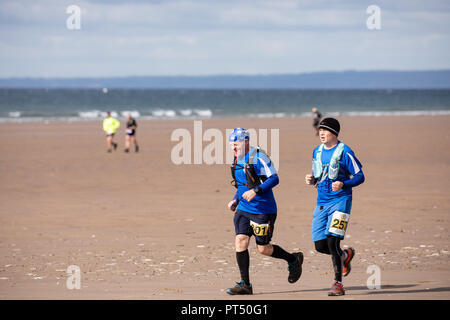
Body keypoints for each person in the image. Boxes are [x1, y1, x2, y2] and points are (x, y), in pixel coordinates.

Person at [226, 128, 303, 295]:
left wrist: (256, 191)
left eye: (236, 143)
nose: (233, 147)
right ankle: (245, 284)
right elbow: (242, 184)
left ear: (246, 142)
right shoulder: (236, 159)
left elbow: (274, 178)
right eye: (231, 144)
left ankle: (293, 259)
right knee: (240, 241)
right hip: (244, 209)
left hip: (263, 210)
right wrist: (235, 199)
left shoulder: (259, 157)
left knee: (263, 249)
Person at [305, 118, 365, 296]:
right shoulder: (317, 151)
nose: (321, 133)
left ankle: (338, 284)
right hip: (322, 203)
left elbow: (360, 176)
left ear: (334, 133)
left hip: (341, 202)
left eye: (325, 130)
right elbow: (320, 176)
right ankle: (345, 256)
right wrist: (312, 180)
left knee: (333, 241)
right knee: (320, 245)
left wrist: (344, 184)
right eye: (320, 130)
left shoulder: (345, 152)